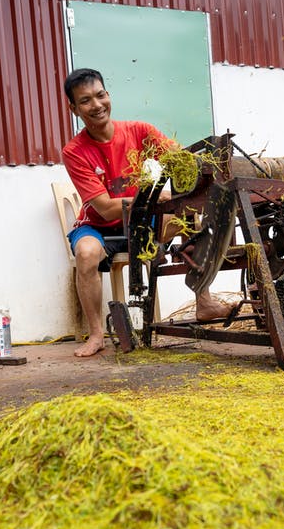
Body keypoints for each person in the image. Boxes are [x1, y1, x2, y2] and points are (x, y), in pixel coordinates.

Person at [62, 68, 231, 357]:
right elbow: (103, 207)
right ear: (74, 108)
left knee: (194, 219)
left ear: (108, 95)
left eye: (101, 95)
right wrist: (152, 199)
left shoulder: (139, 131)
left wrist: (197, 174)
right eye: (86, 100)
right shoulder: (75, 151)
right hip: (99, 226)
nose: (97, 105)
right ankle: (95, 334)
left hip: (141, 222)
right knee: (87, 254)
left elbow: (180, 159)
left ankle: (203, 301)